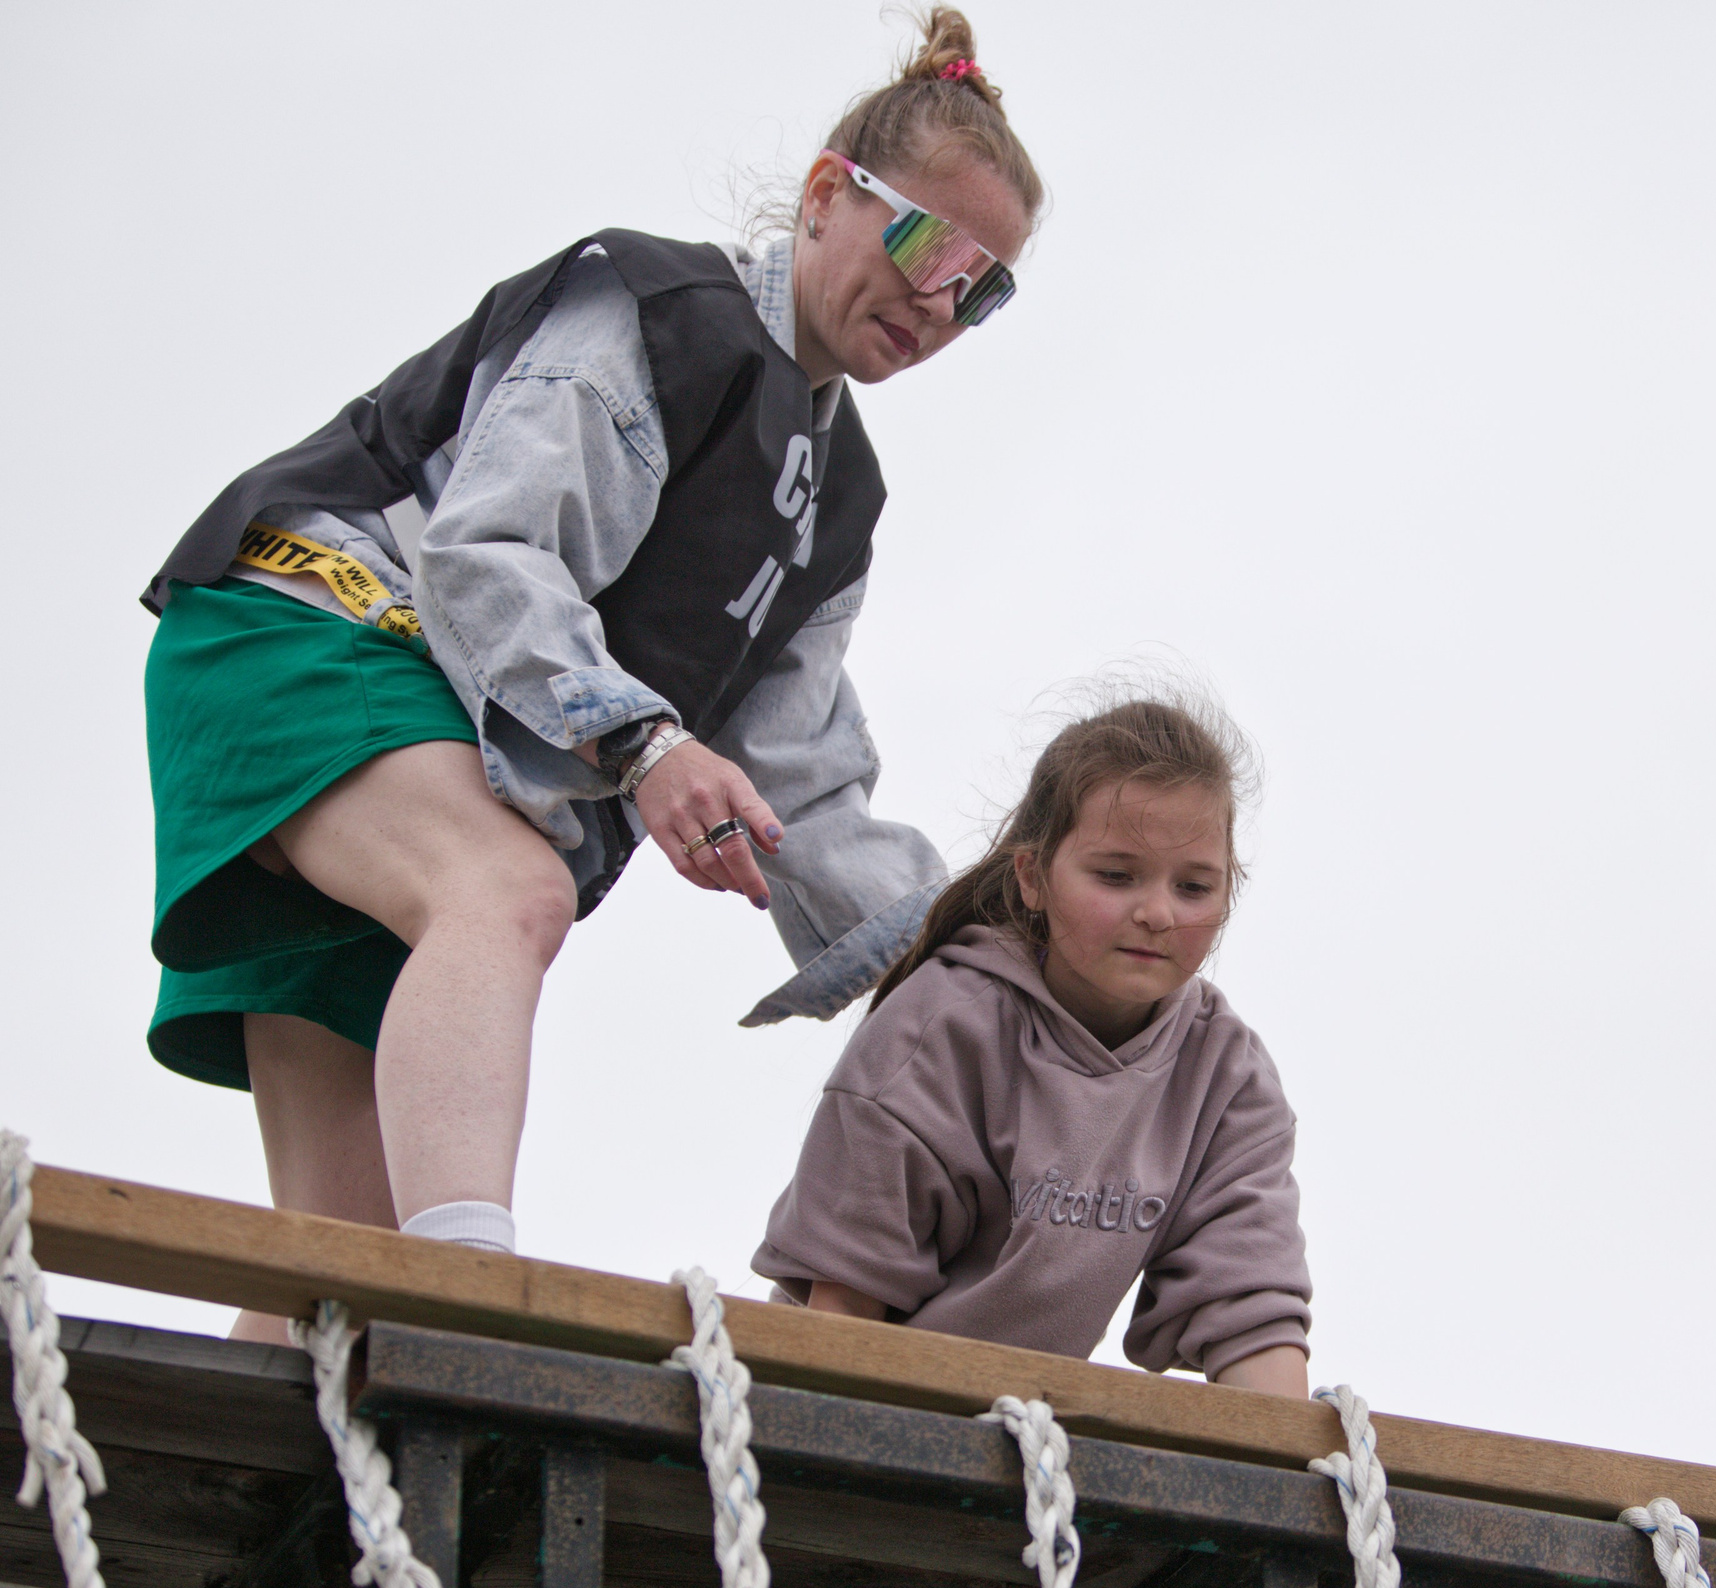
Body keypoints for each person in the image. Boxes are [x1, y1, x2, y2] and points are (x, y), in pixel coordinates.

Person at [137, 9, 1038, 1336]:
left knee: (334, 1269)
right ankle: (479, 1315)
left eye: (987, 286)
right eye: (924, 242)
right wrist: (648, 746)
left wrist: (981, 947)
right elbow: (491, 551)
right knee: (505, 884)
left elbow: (808, 779)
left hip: (423, 711)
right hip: (311, 623)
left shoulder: (838, 494)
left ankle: (284, 1507)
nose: (941, 299)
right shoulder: (661, 312)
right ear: (828, 195)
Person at [753, 696, 1313, 1399]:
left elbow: (1253, 1321)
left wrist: (1291, 1475)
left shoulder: (1227, 1079)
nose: (1159, 911)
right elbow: (846, 1310)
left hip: (1026, 1438)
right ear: (1032, 876)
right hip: (855, 1397)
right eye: (1116, 874)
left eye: (1194, 885)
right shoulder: (941, 1030)